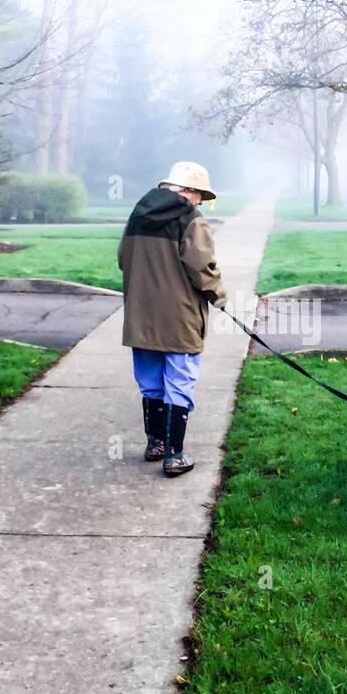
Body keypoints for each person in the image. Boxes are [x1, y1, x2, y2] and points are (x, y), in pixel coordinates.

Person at [118, 161, 227, 477]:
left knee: (151, 382)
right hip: (179, 318)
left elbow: (123, 259)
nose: (201, 203)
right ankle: (174, 455)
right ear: (189, 190)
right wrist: (219, 295)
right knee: (179, 381)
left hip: (141, 316)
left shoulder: (138, 215)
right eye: (201, 196)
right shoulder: (191, 220)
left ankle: (155, 444)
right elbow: (202, 268)